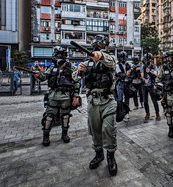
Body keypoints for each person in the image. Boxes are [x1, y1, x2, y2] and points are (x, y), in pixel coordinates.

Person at [74, 35, 118, 175]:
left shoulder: (110, 59)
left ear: (105, 47)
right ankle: (99, 154)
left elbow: (111, 62)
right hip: (93, 100)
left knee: (108, 128)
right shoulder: (88, 63)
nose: (96, 50)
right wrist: (80, 70)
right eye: (95, 48)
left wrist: (100, 55)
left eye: (100, 47)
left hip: (108, 100)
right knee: (95, 130)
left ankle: (111, 156)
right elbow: (75, 77)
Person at [34, 46, 80, 147]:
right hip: (53, 95)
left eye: (57, 54)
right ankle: (46, 136)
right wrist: (38, 75)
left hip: (66, 96)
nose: (55, 56)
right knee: (49, 116)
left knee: (65, 116)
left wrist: (76, 96)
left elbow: (76, 82)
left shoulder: (71, 67)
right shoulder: (52, 67)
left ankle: (64, 135)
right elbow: (44, 77)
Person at [141, 53, 160, 122]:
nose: (147, 61)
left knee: (154, 100)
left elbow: (155, 75)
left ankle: (157, 114)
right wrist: (143, 79)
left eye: (148, 59)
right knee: (145, 101)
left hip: (151, 86)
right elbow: (141, 75)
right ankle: (147, 113)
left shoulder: (154, 66)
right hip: (144, 86)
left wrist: (149, 72)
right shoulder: (143, 67)